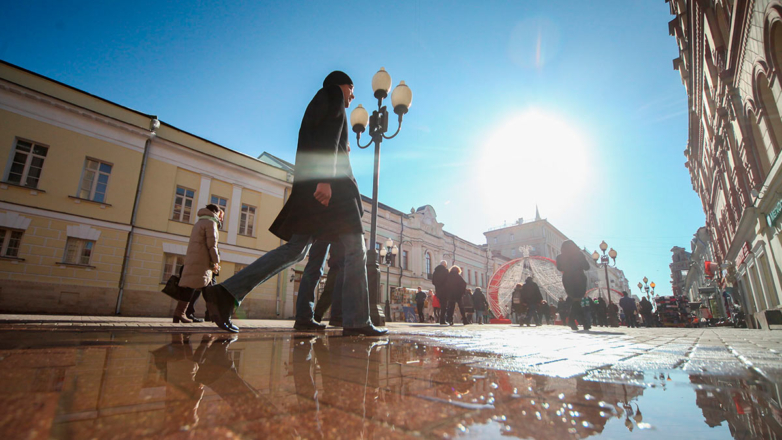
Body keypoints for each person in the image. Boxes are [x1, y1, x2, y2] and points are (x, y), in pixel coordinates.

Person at [202, 71, 387, 336]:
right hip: (334, 192)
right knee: (356, 250)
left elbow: (324, 139)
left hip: (315, 189)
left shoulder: (320, 101)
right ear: (342, 85)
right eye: (352, 88)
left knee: (296, 250)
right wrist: (325, 179)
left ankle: (226, 293)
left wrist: (339, 153)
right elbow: (326, 137)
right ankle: (357, 321)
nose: (353, 95)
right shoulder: (333, 94)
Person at [177, 204, 222, 323]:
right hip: (203, 261)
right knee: (207, 289)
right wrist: (216, 261)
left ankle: (180, 313)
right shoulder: (210, 223)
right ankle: (214, 316)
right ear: (215, 212)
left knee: (194, 287)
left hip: (194, 258)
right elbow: (212, 245)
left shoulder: (199, 223)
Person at [556, 240, 591, 331]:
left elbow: (559, 267)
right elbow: (587, 267)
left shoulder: (560, 257)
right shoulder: (579, 255)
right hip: (579, 278)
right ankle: (575, 321)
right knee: (577, 301)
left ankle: (582, 322)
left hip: (568, 279)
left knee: (575, 301)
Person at [313, 242, 344, 327]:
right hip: (341, 262)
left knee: (330, 291)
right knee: (336, 290)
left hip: (337, 262)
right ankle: (337, 316)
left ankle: (317, 315)